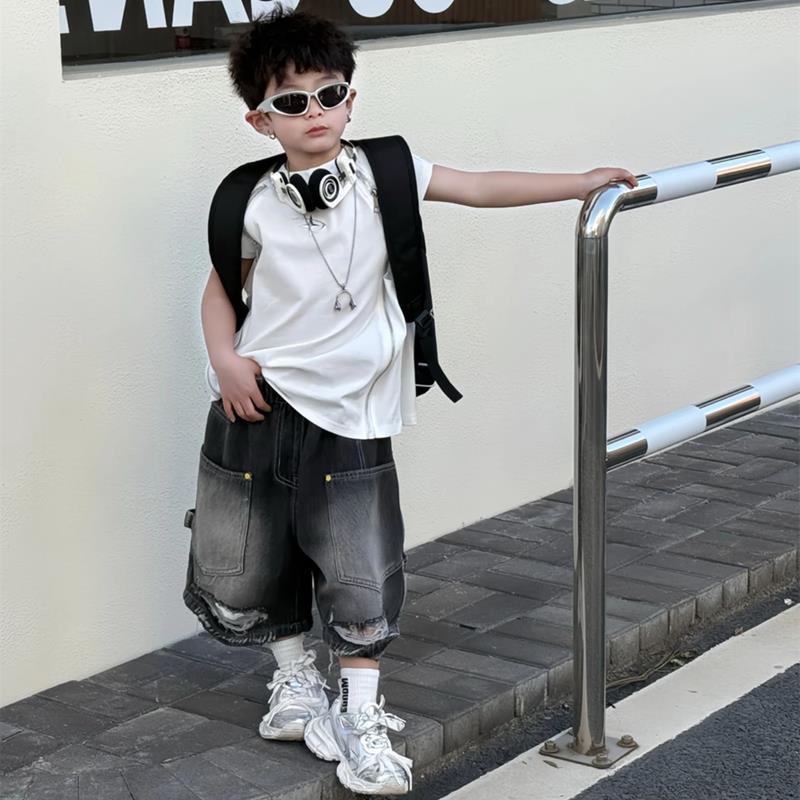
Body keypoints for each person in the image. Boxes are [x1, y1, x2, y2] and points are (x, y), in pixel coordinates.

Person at [184, 3, 638, 795]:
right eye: (292, 101)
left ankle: (359, 714)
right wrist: (225, 360)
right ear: (261, 120)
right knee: (258, 550)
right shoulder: (248, 200)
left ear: (351, 99)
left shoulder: (387, 173)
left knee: (360, 559)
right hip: (262, 400)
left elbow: (479, 185)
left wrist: (580, 184)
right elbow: (223, 288)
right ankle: (296, 681)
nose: (315, 112)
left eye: (330, 94)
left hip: (352, 410)